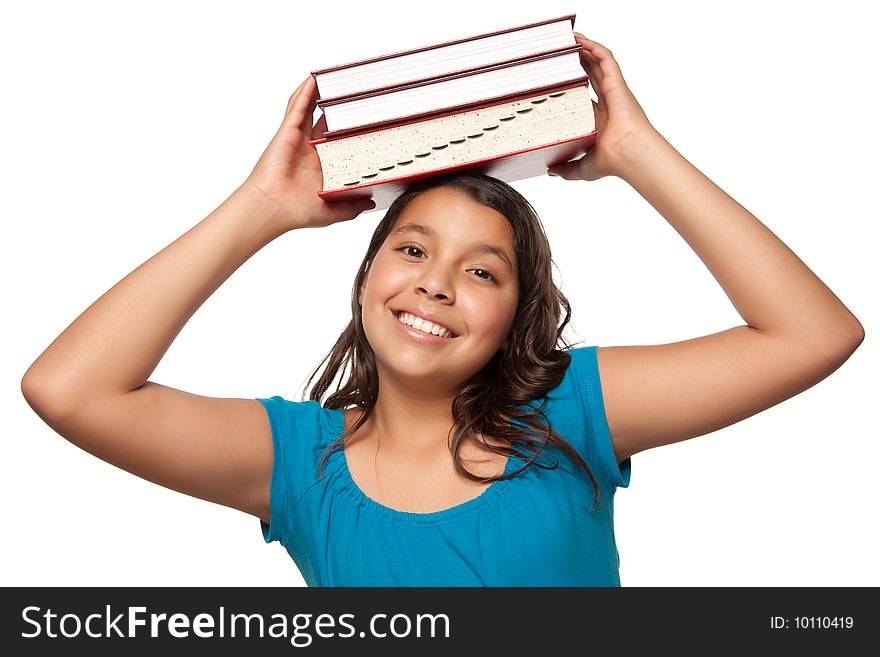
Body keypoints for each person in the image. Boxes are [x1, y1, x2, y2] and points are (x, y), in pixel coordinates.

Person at [20, 35, 864, 586]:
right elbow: (69, 389)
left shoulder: (576, 415)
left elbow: (815, 333)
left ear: (517, 317)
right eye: (414, 249)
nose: (434, 284)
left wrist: (638, 152)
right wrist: (260, 208)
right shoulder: (298, 465)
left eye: (483, 272)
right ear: (367, 276)